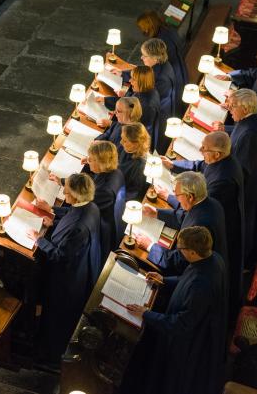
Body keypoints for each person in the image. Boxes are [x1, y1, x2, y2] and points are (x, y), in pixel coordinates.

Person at [127, 226, 227, 394]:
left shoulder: (201, 285)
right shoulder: (212, 257)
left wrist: (146, 314)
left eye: (181, 250)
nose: (180, 252)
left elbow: (181, 324)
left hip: (183, 345)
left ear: (193, 252)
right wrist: (164, 280)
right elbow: (186, 278)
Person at [156, 131, 244, 318]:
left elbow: (180, 259)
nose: (201, 150)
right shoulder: (210, 190)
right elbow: (200, 166)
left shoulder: (221, 182)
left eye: (205, 148)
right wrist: (173, 165)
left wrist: (150, 246)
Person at [30, 173, 101, 365]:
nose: (64, 192)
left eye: (67, 191)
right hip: (80, 267)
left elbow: (60, 256)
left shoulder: (78, 227)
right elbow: (72, 214)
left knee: (56, 316)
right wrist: (52, 213)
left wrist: (39, 239)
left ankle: (50, 355)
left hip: (67, 280)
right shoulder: (90, 207)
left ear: (76, 195)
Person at [138, 171, 229, 278]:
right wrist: (157, 213)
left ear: (190, 197)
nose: (176, 198)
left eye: (177, 195)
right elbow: (185, 216)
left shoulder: (200, 226)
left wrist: (150, 246)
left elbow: (179, 261)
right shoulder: (211, 203)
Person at [217, 89, 257, 262]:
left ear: (245, 109)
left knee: (242, 224)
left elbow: (243, 169)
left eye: (233, 106)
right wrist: (225, 129)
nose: (230, 109)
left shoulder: (250, 134)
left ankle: (244, 258)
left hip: (245, 188)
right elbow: (240, 129)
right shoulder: (249, 120)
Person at [84, 141, 124, 255]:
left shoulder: (105, 191)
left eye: (91, 159)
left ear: (101, 162)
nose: (88, 161)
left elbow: (84, 209)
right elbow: (95, 181)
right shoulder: (115, 171)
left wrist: (52, 210)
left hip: (102, 230)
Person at [102, 66, 159, 145]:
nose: (130, 81)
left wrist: (111, 123)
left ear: (141, 82)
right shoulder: (145, 89)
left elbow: (133, 130)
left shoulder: (147, 106)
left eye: (133, 79)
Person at [136, 10, 188, 87]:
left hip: (173, 75)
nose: (142, 30)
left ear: (147, 27)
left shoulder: (159, 42)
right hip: (181, 69)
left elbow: (157, 64)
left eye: (142, 27)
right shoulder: (168, 29)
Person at [118, 122, 150, 201]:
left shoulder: (140, 166)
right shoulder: (127, 149)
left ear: (136, 143)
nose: (121, 142)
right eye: (122, 138)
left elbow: (133, 193)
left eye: (125, 141)